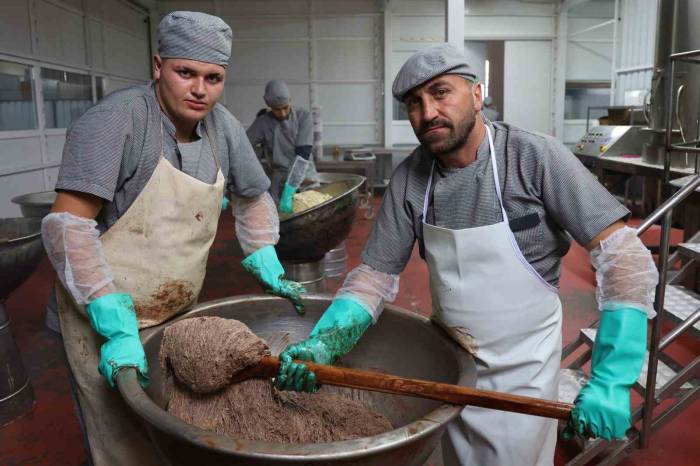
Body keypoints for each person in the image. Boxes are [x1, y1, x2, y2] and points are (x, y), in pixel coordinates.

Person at [274, 44, 658, 466]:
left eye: (441, 93)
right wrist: (326, 342)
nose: (428, 112)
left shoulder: (533, 157)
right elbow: (373, 278)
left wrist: (612, 378)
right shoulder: (412, 179)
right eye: (414, 104)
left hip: (524, 369)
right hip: (453, 364)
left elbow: (624, 257)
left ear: (476, 95)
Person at [40, 11, 304, 466]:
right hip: (100, 312)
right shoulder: (115, 122)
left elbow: (255, 196)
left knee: (175, 424)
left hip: (175, 305)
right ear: (158, 65)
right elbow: (69, 228)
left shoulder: (225, 128)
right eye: (186, 73)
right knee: (119, 438)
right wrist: (113, 321)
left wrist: (263, 252)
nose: (200, 89)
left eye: (213, 77)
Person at [246, 80, 314, 212]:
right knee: (279, 221)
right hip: (278, 179)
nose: (282, 113)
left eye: (285, 107)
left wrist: (290, 190)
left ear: (290, 101)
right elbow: (242, 148)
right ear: (269, 105)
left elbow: (303, 153)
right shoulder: (263, 122)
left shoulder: (304, 117)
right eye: (277, 110)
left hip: (305, 175)